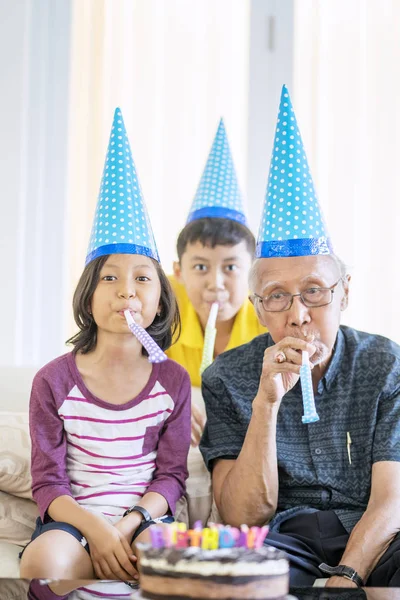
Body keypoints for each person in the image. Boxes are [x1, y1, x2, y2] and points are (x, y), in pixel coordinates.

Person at [200, 86, 400, 587]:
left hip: (378, 533)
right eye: (276, 297)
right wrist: (266, 404)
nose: (298, 314)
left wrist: (348, 575)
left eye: (314, 292)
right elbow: (243, 517)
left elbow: (391, 498)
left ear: (344, 293)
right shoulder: (226, 377)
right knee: (233, 579)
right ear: (257, 307)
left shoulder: (384, 364)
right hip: (284, 538)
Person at [20, 108, 191, 582]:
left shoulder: (172, 380)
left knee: (170, 559)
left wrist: (127, 524)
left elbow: (171, 476)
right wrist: (96, 529)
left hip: (145, 518)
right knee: (42, 563)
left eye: (142, 279)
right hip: (72, 521)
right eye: (110, 278)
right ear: (88, 295)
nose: (126, 291)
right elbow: (48, 481)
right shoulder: (53, 380)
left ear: (159, 300)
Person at [166, 119, 264, 525]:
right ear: (178, 270)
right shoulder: (159, 307)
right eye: (201, 267)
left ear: (253, 271)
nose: (216, 283)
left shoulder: (268, 317)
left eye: (230, 268)